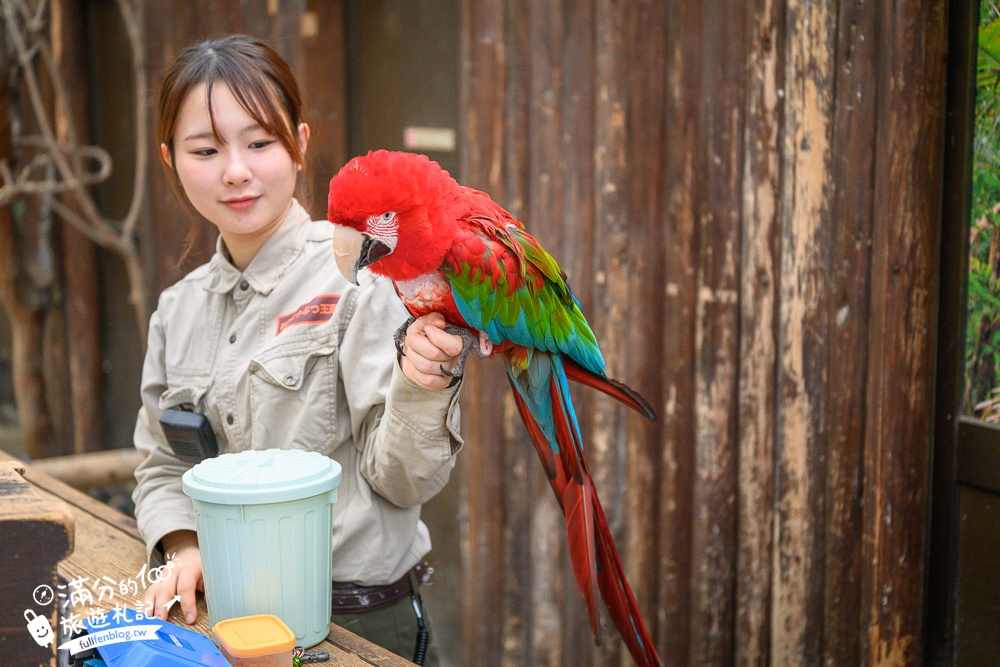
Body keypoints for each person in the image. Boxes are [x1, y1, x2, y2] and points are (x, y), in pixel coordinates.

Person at [131, 34, 464, 665]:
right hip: (221, 619)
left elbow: (406, 482)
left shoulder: (364, 279)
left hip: (356, 626)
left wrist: (423, 388)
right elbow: (162, 465)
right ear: (170, 160)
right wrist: (182, 543)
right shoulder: (177, 310)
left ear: (300, 144)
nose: (236, 170)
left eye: (259, 143)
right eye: (206, 149)